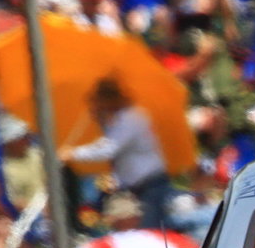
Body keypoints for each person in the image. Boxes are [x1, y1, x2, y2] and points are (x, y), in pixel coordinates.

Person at [62, 78, 172, 230]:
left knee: (150, 232)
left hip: (150, 186)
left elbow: (109, 148)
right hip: (135, 189)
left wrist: (73, 153)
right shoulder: (118, 121)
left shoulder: (131, 118)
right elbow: (107, 143)